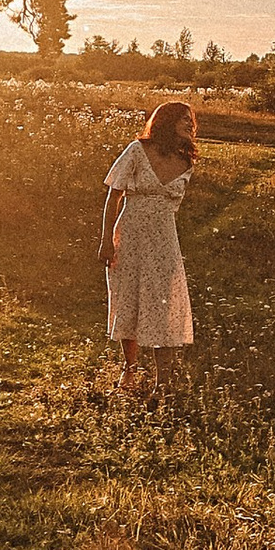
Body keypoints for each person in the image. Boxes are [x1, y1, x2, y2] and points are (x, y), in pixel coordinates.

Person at [100, 101, 196, 394]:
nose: (190, 124)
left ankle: (162, 382)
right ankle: (129, 369)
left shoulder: (186, 161)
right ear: (167, 121)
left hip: (164, 238)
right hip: (130, 233)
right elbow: (114, 196)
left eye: (191, 120)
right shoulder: (137, 150)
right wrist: (106, 240)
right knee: (128, 298)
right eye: (183, 119)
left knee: (163, 303)